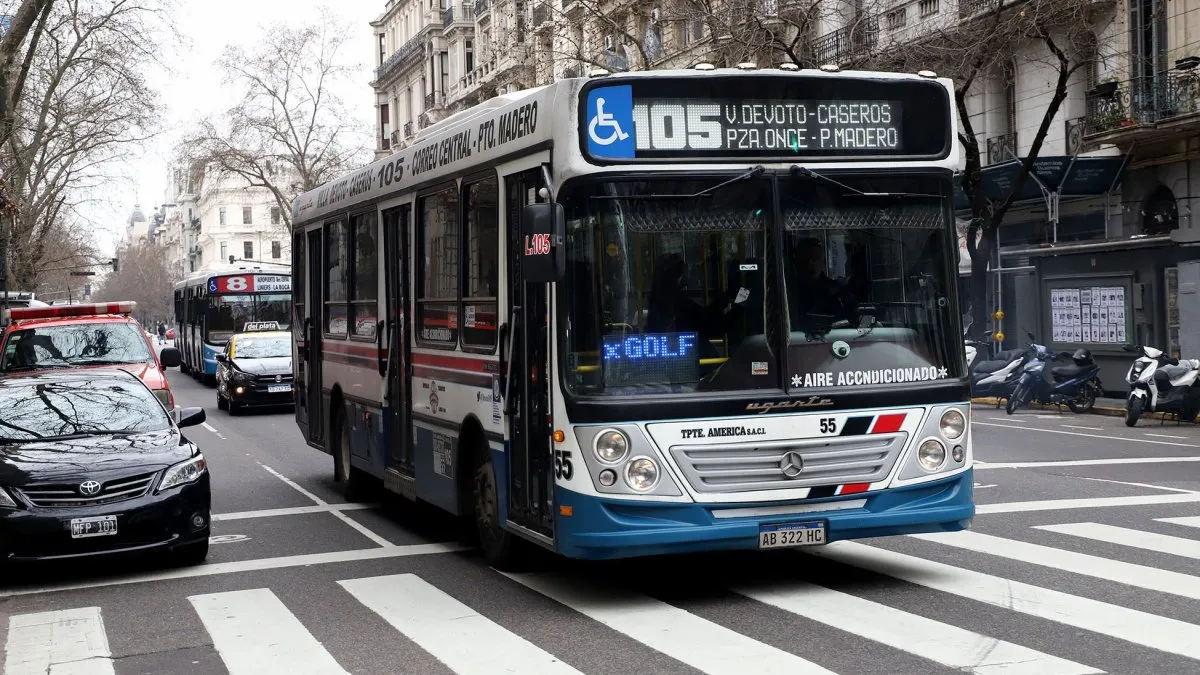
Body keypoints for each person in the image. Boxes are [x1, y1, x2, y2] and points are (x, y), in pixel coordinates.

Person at [644, 254, 747, 358]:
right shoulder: (678, 302)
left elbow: (704, 319)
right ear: (678, 277)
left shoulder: (659, 299)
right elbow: (710, 325)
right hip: (686, 358)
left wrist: (724, 300)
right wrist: (739, 306)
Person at [790, 237, 856, 325]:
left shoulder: (837, 292)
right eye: (806, 258)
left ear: (823, 261)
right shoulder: (787, 292)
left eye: (815, 258)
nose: (810, 263)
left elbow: (852, 322)